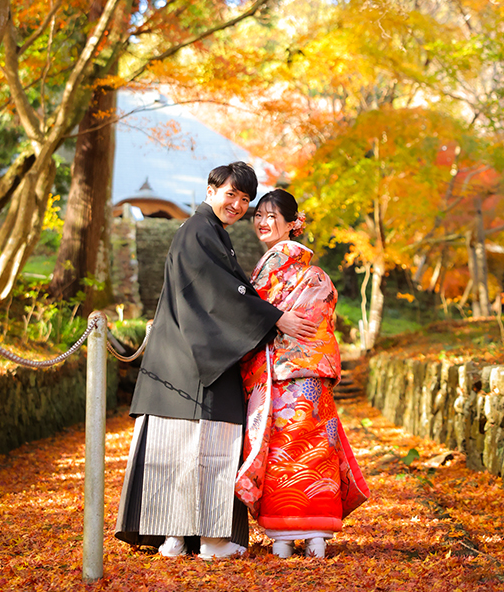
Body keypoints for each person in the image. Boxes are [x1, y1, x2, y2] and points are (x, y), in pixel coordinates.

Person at [115, 162, 316, 560]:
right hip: (197, 359)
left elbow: (222, 291)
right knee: (208, 448)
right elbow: (222, 292)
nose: (237, 204)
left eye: (245, 199)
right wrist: (275, 317)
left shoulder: (206, 232)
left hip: (181, 355)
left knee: (175, 451)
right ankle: (210, 540)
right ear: (211, 191)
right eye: (231, 194)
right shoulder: (199, 231)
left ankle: (174, 538)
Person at [235, 188, 369, 559]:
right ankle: (316, 536)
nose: (262, 222)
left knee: (281, 452)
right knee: (316, 451)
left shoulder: (272, 270)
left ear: (293, 223)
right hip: (313, 380)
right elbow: (321, 327)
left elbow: (249, 317)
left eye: (271, 216)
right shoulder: (317, 276)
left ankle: (282, 536)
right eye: (258, 215)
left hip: (280, 378)